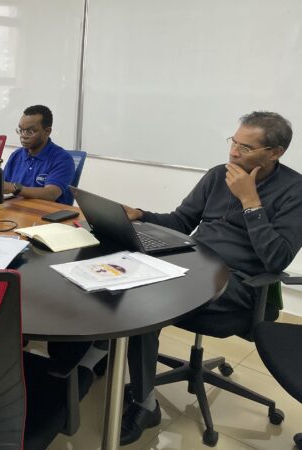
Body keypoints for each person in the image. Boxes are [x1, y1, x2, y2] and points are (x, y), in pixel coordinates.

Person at [119, 111, 302, 445]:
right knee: (125, 276)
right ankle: (102, 364)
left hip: (240, 283)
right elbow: (180, 221)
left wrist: (250, 201)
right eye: (234, 142)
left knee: (145, 302)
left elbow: (277, 259)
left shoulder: (295, 191)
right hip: (192, 264)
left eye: (246, 148)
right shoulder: (218, 175)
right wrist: (141, 215)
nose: (233, 152)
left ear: (275, 153)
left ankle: (144, 406)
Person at [0, 105, 75, 204]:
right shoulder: (16, 155)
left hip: (46, 212)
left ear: (47, 131)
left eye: (30, 131)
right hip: (16, 209)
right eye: (21, 130)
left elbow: (50, 194)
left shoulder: (63, 159)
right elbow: (5, 186)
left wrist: (15, 188)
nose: (23, 136)